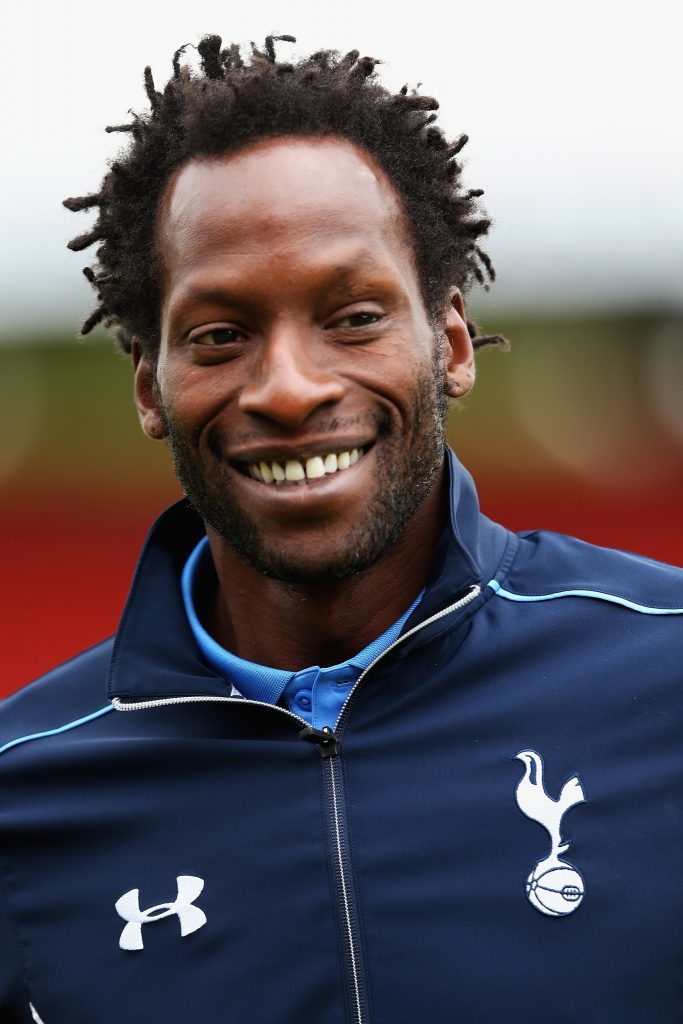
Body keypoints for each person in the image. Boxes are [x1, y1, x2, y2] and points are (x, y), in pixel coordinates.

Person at [0, 34, 681, 1024]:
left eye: (353, 315)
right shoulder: (23, 798)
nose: (288, 387)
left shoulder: (663, 673)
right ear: (150, 386)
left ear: (447, 342)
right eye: (220, 334)